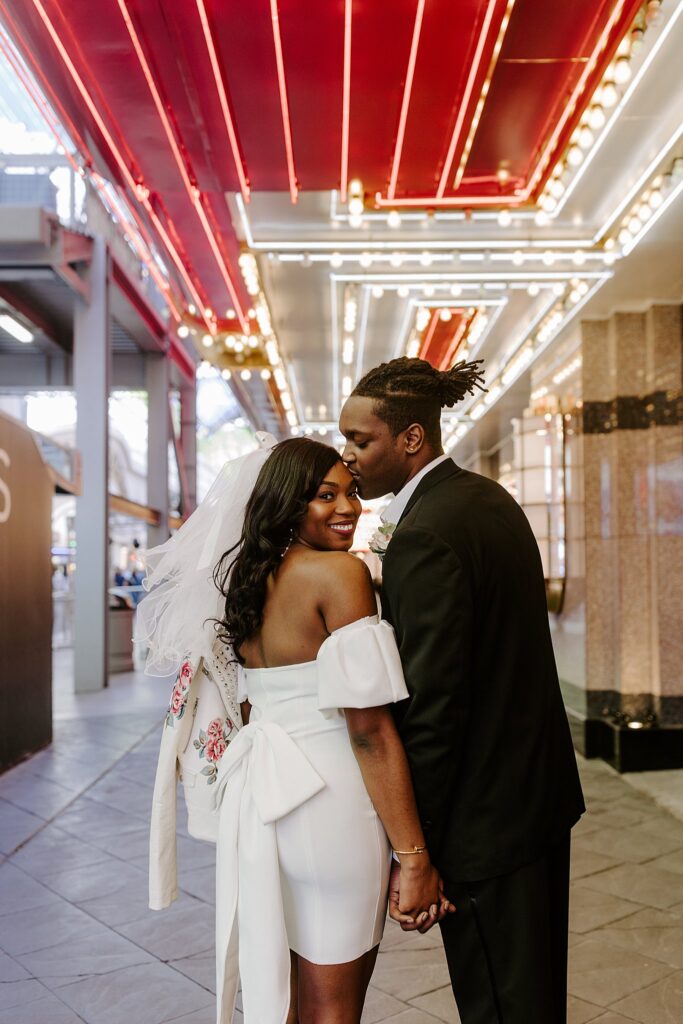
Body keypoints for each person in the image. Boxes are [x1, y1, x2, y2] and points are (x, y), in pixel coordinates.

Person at [140, 434, 451, 1024]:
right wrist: (413, 857)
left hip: (260, 799)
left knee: (279, 986)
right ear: (288, 503)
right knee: (333, 1007)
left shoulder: (245, 582)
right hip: (332, 802)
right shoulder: (340, 576)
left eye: (351, 492)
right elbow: (369, 731)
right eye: (324, 495)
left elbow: (250, 706)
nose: (347, 507)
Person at [340, 357, 585, 1024]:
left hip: (484, 822)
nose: (348, 456)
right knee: (531, 992)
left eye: (360, 440)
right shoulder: (485, 500)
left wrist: (416, 852)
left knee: (501, 1003)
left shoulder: (425, 533)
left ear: (411, 438)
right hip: (533, 797)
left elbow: (433, 705)